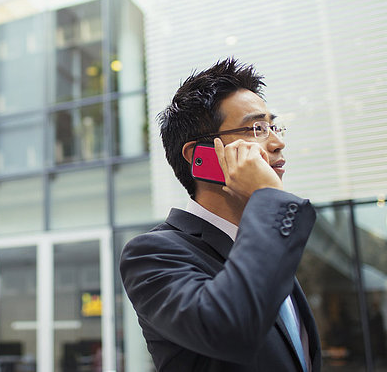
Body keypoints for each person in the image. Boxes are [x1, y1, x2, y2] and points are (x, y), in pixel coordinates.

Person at [120, 58, 321, 371]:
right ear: (201, 156)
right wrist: (268, 200)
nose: (278, 142)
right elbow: (231, 328)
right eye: (257, 128)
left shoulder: (264, 244)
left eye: (274, 126)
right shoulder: (152, 254)